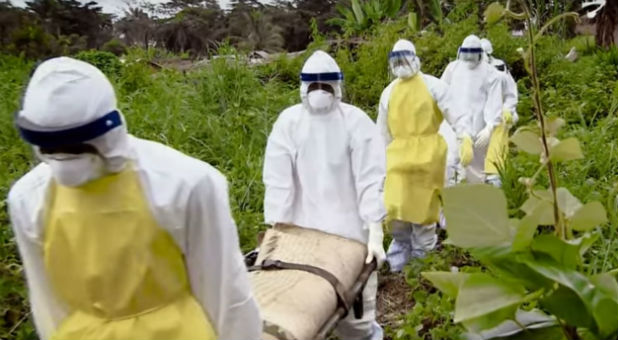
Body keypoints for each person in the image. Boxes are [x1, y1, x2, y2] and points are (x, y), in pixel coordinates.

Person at [8, 57, 261, 340]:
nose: (66, 158)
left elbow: (223, 290)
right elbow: (46, 300)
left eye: (76, 145)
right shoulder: (27, 197)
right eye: (52, 147)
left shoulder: (184, 183)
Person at [263, 50, 386, 340]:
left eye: (325, 85)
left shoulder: (356, 123)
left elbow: (371, 179)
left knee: (357, 322)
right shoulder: (288, 122)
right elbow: (278, 183)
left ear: (338, 87)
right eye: (314, 84)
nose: (320, 90)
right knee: (300, 315)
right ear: (304, 87)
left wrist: (375, 229)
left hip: (350, 239)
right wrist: (276, 233)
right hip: (300, 243)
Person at [377, 39, 473, 272]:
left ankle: (423, 264)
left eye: (405, 57)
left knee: (423, 212)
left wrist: (465, 138)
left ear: (415, 57)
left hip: (428, 158)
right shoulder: (388, 92)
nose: (402, 63)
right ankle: (399, 258)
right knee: (396, 209)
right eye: (397, 59)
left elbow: (456, 114)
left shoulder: (433, 86)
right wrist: (377, 163)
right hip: (398, 159)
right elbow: (381, 132)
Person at [441, 34, 503, 184]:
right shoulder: (452, 69)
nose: (469, 57)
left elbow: (495, 102)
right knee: (454, 161)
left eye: (472, 54)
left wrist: (489, 128)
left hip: (479, 127)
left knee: (477, 167)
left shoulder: (490, 73)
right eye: (466, 53)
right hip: (455, 126)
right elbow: (441, 92)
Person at [480, 38, 520, 187]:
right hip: (479, 112)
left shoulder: (499, 69)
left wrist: (507, 109)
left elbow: (511, 93)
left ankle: (494, 172)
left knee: (499, 126)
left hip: (500, 112)